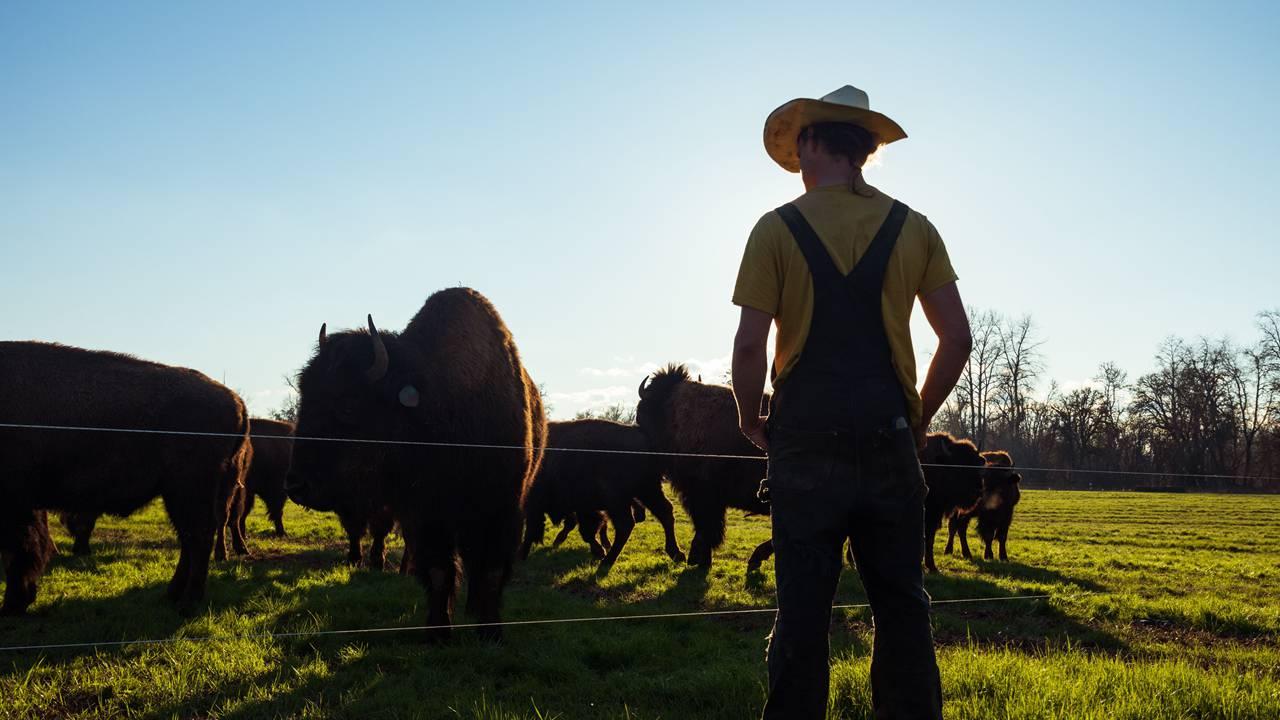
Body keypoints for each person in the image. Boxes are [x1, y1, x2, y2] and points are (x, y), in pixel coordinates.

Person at [730, 85, 973, 719]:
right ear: (864, 149)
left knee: (803, 616)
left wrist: (750, 417)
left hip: (805, 445)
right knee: (902, 609)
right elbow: (957, 339)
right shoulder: (914, 228)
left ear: (812, 142)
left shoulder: (775, 229)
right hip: (891, 439)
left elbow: (751, 343)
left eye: (798, 143)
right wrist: (915, 416)